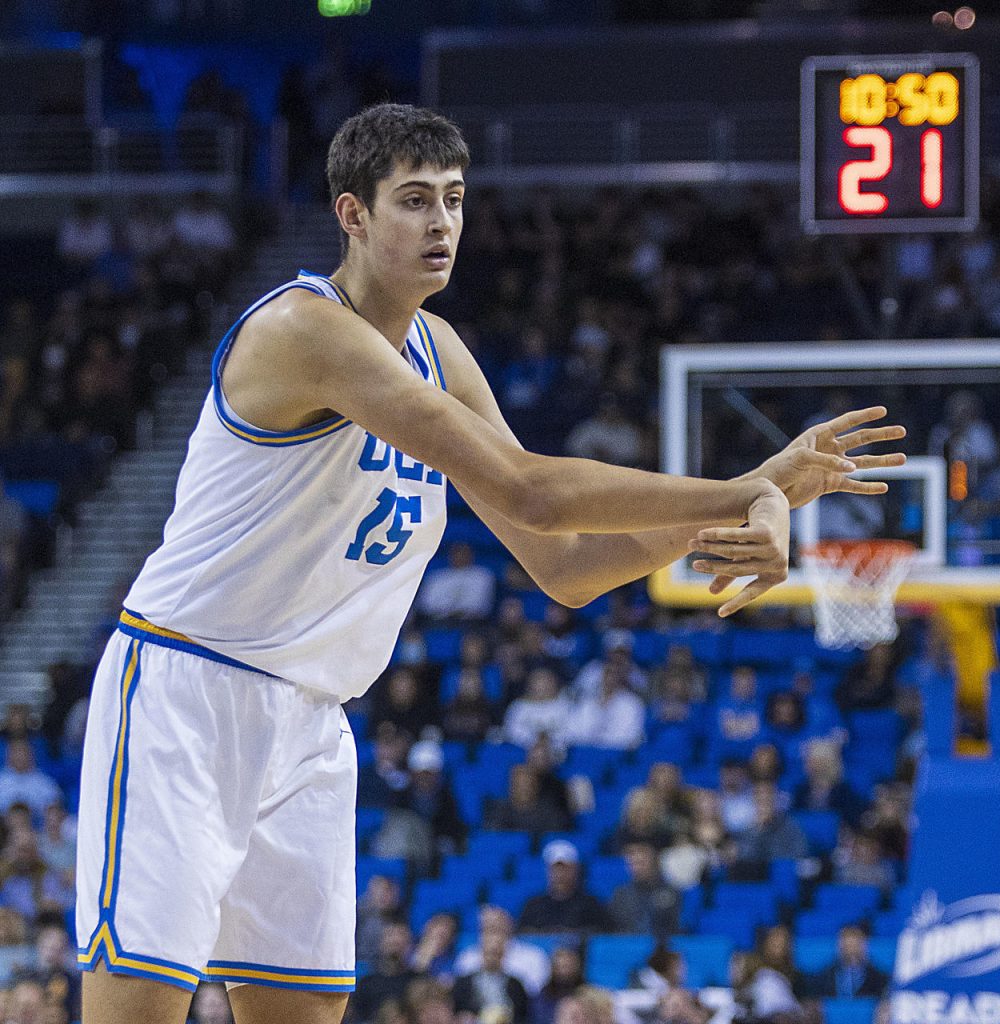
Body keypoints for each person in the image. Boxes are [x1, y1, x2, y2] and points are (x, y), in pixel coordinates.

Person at [75, 102, 903, 1024]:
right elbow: (530, 489)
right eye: (415, 200)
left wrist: (764, 498)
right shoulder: (304, 330)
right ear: (352, 214)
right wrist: (741, 490)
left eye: (456, 201)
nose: (441, 225)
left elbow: (565, 566)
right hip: (188, 690)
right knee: (138, 1011)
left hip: (312, 719)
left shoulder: (441, 350)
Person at [520, 840, 613, 933]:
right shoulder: (534, 906)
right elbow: (522, 934)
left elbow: (604, 933)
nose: (560, 875)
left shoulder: (591, 905)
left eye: (565, 869)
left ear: (576, 870)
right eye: (556, 870)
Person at [607, 842, 682, 936]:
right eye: (634, 862)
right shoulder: (621, 894)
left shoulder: (672, 892)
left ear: (655, 859)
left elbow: (678, 929)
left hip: (661, 947)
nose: (636, 860)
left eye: (642, 861)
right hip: (627, 946)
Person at [805, 925, 888, 1000]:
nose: (851, 950)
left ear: (865, 947)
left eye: (855, 945)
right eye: (847, 946)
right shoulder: (823, 979)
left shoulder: (881, 980)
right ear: (839, 947)